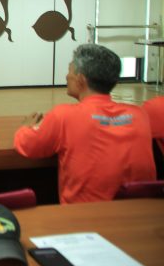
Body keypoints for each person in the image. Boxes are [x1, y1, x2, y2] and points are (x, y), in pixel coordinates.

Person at [14, 44, 160, 204]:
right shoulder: (139, 115)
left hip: (84, 219)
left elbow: (29, 145)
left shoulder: (64, 115)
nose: (66, 76)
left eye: (70, 71)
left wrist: (25, 127)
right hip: (139, 215)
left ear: (81, 79)